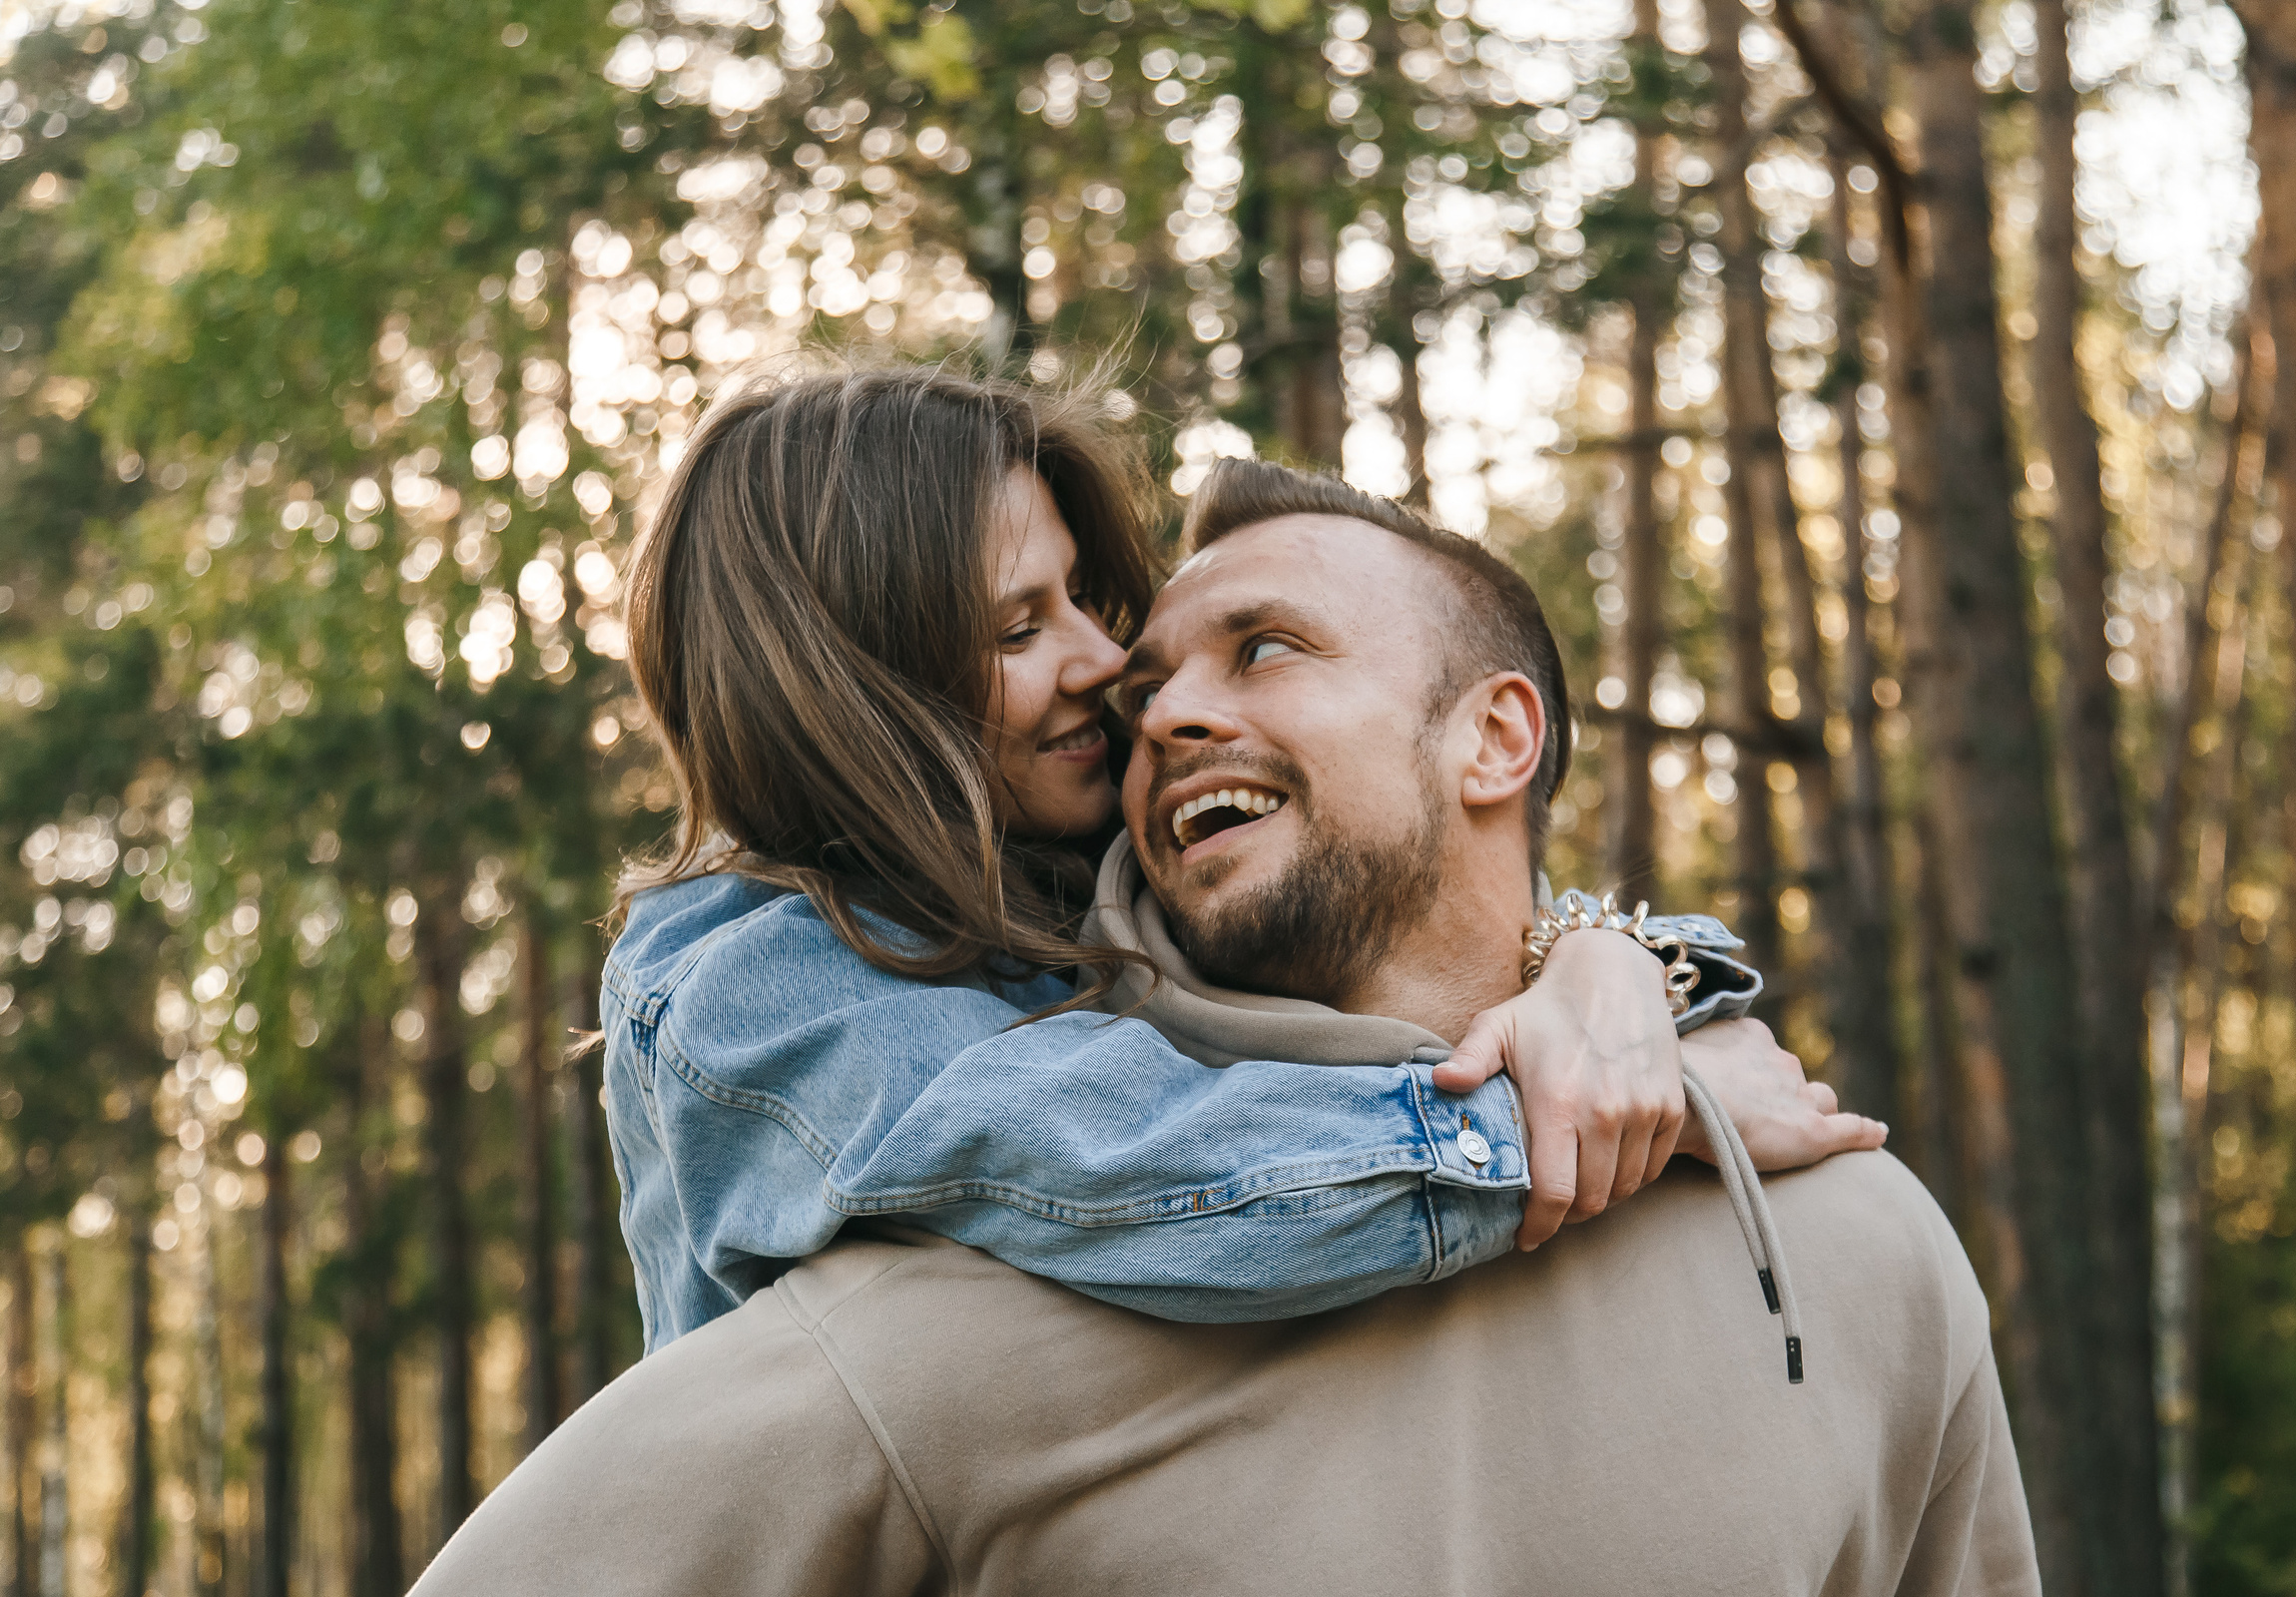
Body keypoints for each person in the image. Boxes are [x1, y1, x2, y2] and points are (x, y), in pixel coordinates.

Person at [355, 460, 2040, 1597]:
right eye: (1143, 677)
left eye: (1267, 647)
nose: (1150, 706)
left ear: (1496, 740)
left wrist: (1630, 977)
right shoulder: (948, 1291)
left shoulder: (1857, 1245)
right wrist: (1547, 1103)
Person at [599, 359, 1882, 1348]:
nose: (1111, 674)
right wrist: (1561, 1124)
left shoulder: (1054, 884)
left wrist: (1614, 975)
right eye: (1014, 629)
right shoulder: (748, 988)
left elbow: (1425, 905)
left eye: (1082, 605)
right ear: (851, 687)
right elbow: (1145, 1171)